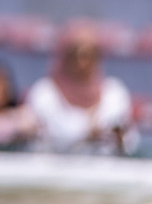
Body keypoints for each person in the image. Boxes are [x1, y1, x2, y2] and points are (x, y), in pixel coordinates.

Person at [26, 24, 138, 155]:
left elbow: (131, 140)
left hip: (106, 171)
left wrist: (120, 138)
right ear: (65, 57)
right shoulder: (44, 92)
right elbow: (45, 139)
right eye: (76, 55)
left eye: (89, 55)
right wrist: (87, 133)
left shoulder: (114, 93)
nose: (82, 63)